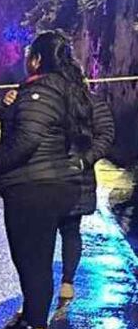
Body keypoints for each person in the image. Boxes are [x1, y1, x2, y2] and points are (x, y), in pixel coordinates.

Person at [0, 32, 93, 329]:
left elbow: (27, 140)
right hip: (45, 185)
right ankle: (30, 320)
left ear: (36, 58)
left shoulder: (42, 90)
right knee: (30, 259)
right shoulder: (62, 88)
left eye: (28, 54)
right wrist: (7, 110)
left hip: (34, 186)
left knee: (34, 260)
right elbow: (23, 128)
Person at [57, 94, 114, 300]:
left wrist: (85, 159)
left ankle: (67, 280)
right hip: (44, 176)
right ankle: (36, 290)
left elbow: (105, 133)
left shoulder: (92, 102)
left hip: (77, 177)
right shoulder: (47, 96)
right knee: (39, 235)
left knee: (71, 229)